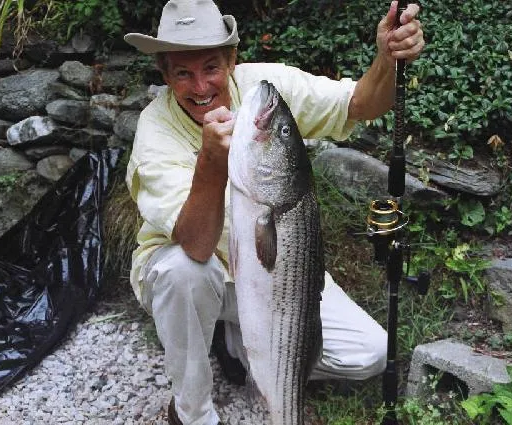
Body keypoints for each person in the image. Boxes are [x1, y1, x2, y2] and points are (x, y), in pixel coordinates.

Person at [123, 1, 424, 424]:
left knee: (369, 353)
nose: (201, 86)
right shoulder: (155, 131)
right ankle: (191, 411)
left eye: (211, 66)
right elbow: (195, 244)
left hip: (279, 276)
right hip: (200, 269)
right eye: (182, 73)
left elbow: (361, 104)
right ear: (164, 73)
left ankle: (241, 344)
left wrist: (386, 57)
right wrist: (210, 163)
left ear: (232, 59)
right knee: (183, 273)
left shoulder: (266, 94)